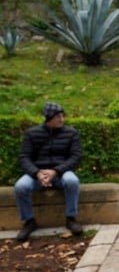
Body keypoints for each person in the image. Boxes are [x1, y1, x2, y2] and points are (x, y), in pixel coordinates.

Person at [14, 102, 83, 241]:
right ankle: (28, 222)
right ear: (48, 117)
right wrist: (37, 173)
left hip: (61, 172)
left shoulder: (71, 133)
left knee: (72, 181)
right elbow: (24, 157)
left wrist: (56, 171)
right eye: (58, 116)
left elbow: (76, 156)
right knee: (20, 186)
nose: (61, 119)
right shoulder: (32, 133)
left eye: (62, 115)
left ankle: (71, 218)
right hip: (37, 174)